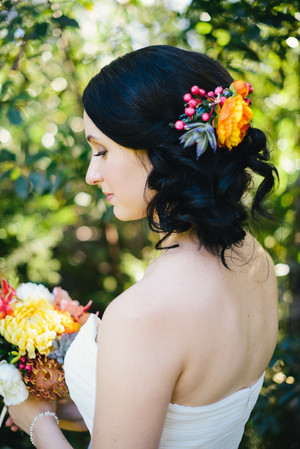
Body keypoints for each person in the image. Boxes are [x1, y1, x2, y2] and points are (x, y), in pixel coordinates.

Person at [7, 45, 278, 449]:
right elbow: (183, 412)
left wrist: (37, 422)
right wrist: (69, 403)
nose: (91, 174)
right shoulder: (255, 261)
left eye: (101, 150)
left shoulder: (144, 315)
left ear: (160, 150)